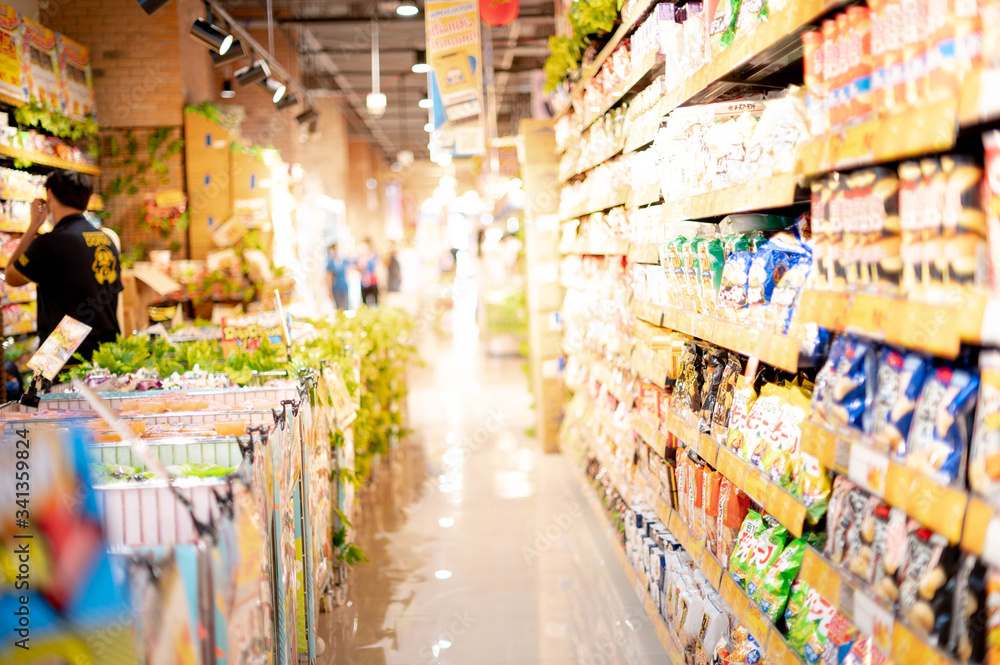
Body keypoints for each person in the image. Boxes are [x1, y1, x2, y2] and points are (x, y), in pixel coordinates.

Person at [4, 170, 122, 363]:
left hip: (62, 350)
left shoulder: (51, 242)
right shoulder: (106, 239)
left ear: (49, 195)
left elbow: (11, 276)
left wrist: (34, 226)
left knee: (52, 394)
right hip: (106, 349)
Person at [326, 243, 350, 310]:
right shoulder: (331, 263)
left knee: (346, 308)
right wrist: (329, 291)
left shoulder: (344, 261)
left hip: (344, 288)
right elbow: (328, 277)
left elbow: (353, 267)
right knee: (339, 309)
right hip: (336, 289)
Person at [358, 237, 379, 306]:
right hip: (364, 283)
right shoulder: (361, 256)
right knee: (364, 303)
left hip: (373, 282)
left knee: (375, 302)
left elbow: (378, 268)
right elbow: (359, 268)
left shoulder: (375, 255)